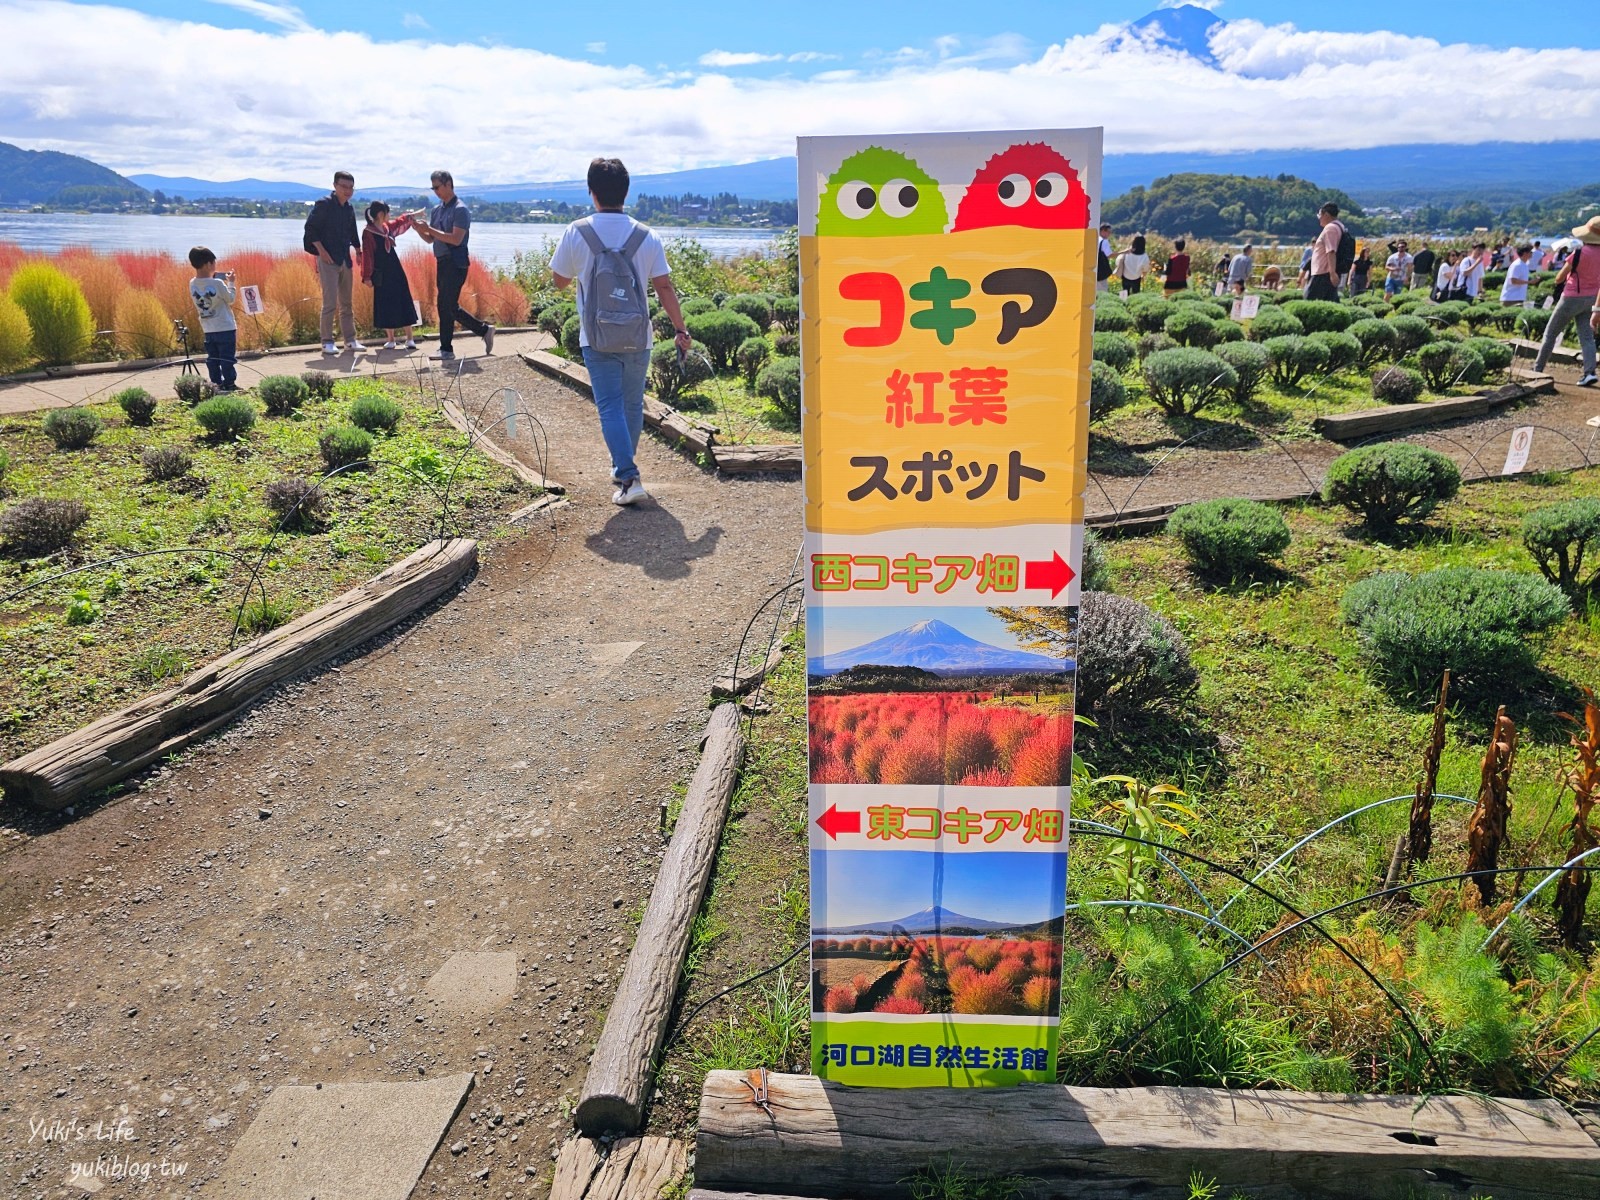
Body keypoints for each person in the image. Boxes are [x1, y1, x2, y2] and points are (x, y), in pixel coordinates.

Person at [550, 157, 693, 506]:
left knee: (610, 406)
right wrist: (680, 328)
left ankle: (628, 477)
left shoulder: (576, 231)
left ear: (591, 191)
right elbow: (664, 287)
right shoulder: (647, 236)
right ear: (626, 192)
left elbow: (558, 281)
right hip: (637, 336)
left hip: (596, 336)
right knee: (631, 406)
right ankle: (624, 471)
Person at [412, 170, 495, 364]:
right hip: (442, 261)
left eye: (438, 187)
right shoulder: (437, 210)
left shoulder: (460, 209)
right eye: (433, 188)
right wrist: (419, 230)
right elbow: (430, 239)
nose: (436, 191)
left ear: (449, 184)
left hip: (456, 262)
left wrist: (428, 229)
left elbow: (456, 239)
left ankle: (447, 348)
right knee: (447, 305)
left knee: (445, 304)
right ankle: (482, 330)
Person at [303, 171, 364, 356]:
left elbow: (353, 231)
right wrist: (322, 252)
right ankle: (327, 341)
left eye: (350, 187)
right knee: (329, 302)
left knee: (347, 303)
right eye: (344, 186)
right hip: (328, 259)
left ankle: (350, 340)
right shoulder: (324, 204)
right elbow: (310, 230)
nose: (347, 190)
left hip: (345, 258)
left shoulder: (349, 208)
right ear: (335, 186)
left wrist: (359, 251)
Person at [1535, 216, 1600, 387]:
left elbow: (1559, 277)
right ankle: (1589, 372)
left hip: (1571, 297)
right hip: (1592, 298)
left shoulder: (1578, 253)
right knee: (1586, 336)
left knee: (1550, 333)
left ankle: (1537, 369)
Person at [360, 201, 418, 350]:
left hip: (395, 269)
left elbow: (399, 222)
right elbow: (367, 255)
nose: (389, 215)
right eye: (387, 212)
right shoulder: (369, 232)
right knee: (385, 303)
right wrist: (367, 276)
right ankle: (391, 339)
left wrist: (411, 216)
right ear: (381, 214)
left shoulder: (386, 228)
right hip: (381, 272)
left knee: (404, 298)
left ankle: (409, 338)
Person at [186, 246, 237, 392]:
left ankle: (215, 384)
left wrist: (213, 279)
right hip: (225, 327)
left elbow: (206, 286)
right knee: (227, 358)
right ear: (208, 264)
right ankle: (230, 384)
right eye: (214, 263)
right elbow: (230, 299)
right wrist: (231, 283)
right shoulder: (218, 283)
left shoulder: (192, 283)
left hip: (208, 328)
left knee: (213, 358)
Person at [1305, 202, 1345, 301]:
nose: (1319, 218)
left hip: (1323, 273)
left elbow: (1331, 251)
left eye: (1320, 215)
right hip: (1327, 273)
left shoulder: (1330, 228)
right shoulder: (1339, 226)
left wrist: (1332, 273)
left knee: (1310, 301)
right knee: (1330, 302)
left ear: (1326, 214)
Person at [1096, 223, 1114, 293]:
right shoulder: (1104, 241)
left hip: (1093, 270)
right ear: (1103, 231)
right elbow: (1109, 255)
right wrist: (1124, 252)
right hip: (1101, 273)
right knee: (1102, 292)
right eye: (1108, 232)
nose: (1109, 234)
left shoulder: (1095, 238)